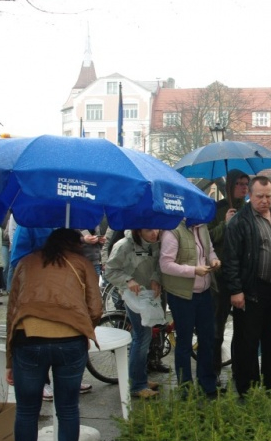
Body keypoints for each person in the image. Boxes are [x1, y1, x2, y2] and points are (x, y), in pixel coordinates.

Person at [5, 228, 103, 441]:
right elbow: (95, 309)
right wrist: (80, 327)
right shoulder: (82, 264)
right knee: (68, 408)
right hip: (70, 342)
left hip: (28, 339)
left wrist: (9, 360)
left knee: (27, 410)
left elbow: (12, 313)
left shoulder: (25, 262)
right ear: (75, 244)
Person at [221, 175, 271, 395]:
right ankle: (247, 385)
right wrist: (236, 290)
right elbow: (230, 258)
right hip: (251, 289)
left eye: (269, 196)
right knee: (247, 341)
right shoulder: (240, 221)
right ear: (250, 195)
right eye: (260, 196)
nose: (265, 200)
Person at [159, 219, 221, 396]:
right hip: (182, 294)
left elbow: (210, 252)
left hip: (204, 291)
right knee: (184, 342)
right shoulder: (173, 230)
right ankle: (185, 387)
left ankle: (207, 383)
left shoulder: (202, 227)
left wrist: (214, 261)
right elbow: (166, 264)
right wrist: (193, 270)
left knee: (207, 339)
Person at [105, 227, 163, 398]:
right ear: (138, 232)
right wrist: (128, 280)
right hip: (133, 297)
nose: (154, 233)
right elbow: (110, 270)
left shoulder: (155, 244)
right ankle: (137, 385)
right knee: (141, 337)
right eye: (148, 230)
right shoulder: (123, 245)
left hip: (149, 296)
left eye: (156, 229)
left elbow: (158, 265)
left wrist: (155, 278)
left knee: (145, 338)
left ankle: (140, 379)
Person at [208, 170, 250, 377]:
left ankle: (240, 370)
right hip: (220, 277)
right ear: (230, 186)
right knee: (217, 327)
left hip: (244, 277)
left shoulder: (251, 210)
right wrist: (224, 224)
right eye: (239, 184)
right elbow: (207, 240)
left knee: (244, 330)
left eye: (246, 183)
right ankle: (213, 371)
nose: (244, 187)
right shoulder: (217, 209)